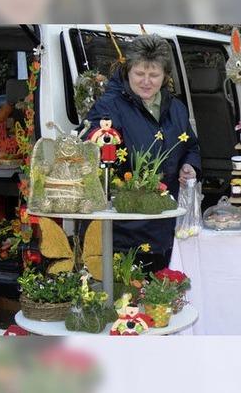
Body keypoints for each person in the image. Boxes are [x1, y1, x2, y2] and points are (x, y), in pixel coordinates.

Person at [82, 34, 201, 272]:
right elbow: (91, 147)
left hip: (166, 225)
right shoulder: (110, 106)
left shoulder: (176, 109)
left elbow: (191, 147)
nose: (146, 81)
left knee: (162, 300)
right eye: (139, 74)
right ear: (128, 72)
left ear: (165, 76)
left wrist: (190, 165)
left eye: (154, 75)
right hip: (125, 232)